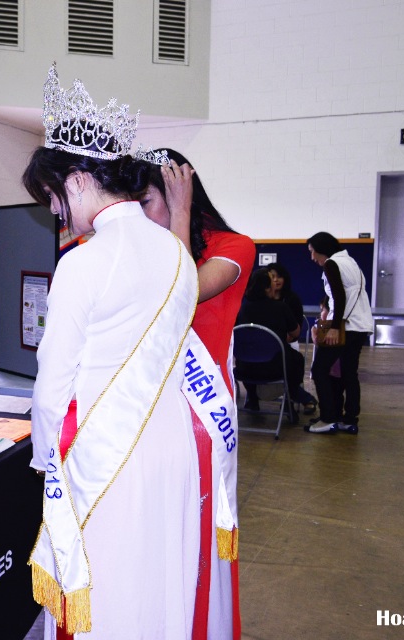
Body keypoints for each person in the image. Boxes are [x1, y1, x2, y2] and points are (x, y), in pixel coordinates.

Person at [25, 64, 201, 639]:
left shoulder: (82, 261)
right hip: (174, 450)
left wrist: (48, 467)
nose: (55, 212)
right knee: (159, 590)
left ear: (76, 180)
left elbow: (53, 391)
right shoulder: (178, 254)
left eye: (52, 197)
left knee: (110, 597)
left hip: (109, 464)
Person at [140, 148, 253, 639]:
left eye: (146, 201)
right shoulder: (144, 248)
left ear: (176, 193)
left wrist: (180, 214)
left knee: (198, 533)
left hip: (199, 412)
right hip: (147, 403)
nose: (137, 214)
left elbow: (180, 296)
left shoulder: (236, 246)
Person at [306, 232, 373, 434]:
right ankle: (349, 419)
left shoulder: (332, 264)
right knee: (349, 373)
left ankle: (328, 418)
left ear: (321, 249)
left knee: (319, 370)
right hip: (360, 326)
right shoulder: (350, 262)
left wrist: (335, 326)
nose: (312, 258)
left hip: (345, 326)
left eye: (312, 252)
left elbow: (338, 296)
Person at [235, 268, 313, 410]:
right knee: (297, 359)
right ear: (266, 288)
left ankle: (252, 398)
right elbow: (295, 333)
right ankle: (293, 396)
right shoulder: (281, 307)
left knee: (252, 355)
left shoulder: (243, 308)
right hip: (275, 368)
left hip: (245, 368)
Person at [311, 295, 344, 419]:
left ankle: (333, 415)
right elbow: (315, 331)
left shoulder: (332, 328)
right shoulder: (320, 325)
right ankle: (334, 414)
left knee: (335, 389)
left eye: (323, 310)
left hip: (334, 365)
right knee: (333, 389)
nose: (321, 315)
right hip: (333, 367)